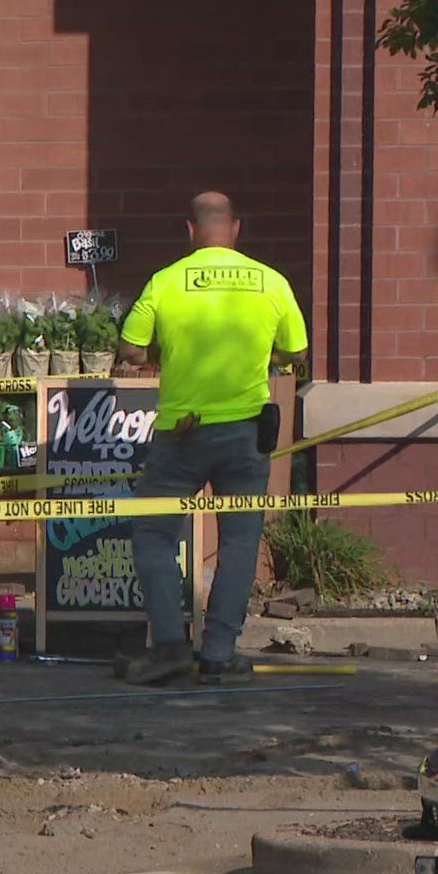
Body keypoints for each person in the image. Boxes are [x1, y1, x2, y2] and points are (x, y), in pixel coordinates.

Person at [118, 191, 307, 687]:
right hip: (246, 433)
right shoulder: (272, 282)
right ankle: (219, 652)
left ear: (190, 231)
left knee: (154, 535)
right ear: (237, 230)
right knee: (240, 540)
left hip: (181, 432)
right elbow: (296, 351)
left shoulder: (165, 282)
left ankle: (170, 648)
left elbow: (131, 352)